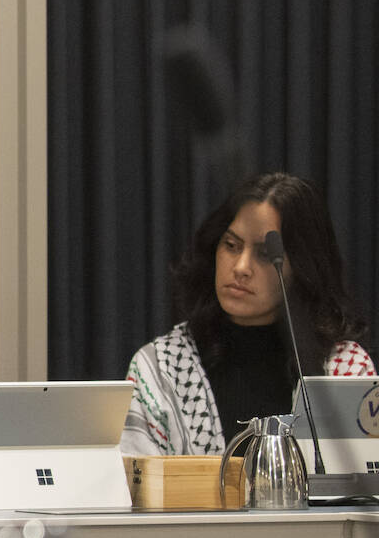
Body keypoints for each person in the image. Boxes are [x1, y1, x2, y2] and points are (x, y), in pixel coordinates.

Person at [121, 172, 374, 455]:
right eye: (231, 246)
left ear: (303, 268)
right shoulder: (160, 368)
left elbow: (365, 491)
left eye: (265, 254)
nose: (241, 267)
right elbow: (135, 487)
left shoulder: (343, 371)